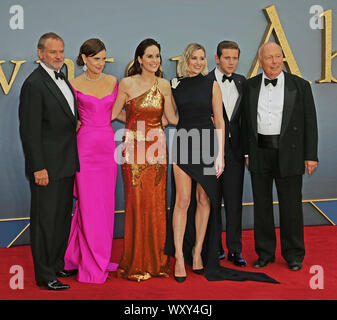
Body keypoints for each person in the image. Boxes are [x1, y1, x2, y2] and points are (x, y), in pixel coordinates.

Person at [164, 43, 278, 284]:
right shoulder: (175, 84)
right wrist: (161, 108)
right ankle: (180, 257)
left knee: (204, 200)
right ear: (186, 59)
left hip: (206, 144)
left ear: (207, 60)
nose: (197, 62)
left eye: (201, 58)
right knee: (182, 201)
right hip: (184, 143)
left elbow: (220, 123)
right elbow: (173, 117)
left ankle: (197, 252)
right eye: (193, 58)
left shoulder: (211, 84)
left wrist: (219, 156)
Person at [241, 42, 318, 271]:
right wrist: (246, 151)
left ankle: (294, 254)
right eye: (269, 58)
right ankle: (264, 253)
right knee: (262, 206)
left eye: (278, 57)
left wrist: (310, 155)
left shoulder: (300, 85)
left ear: (283, 59)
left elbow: (310, 123)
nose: (274, 62)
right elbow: (245, 122)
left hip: (290, 153)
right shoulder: (250, 86)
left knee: (291, 207)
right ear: (260, 61)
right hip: (259, 152)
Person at [111, 38, 178, 281]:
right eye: (149, 56)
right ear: (139, 59)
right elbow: (113, 112)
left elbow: (172, 117)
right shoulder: (127, 83)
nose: (155, 60)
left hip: (157, 150)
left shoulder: (165, 84)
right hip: (133, 151)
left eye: (157, 56)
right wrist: (132, 127)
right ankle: (136, 262)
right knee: (136, 203)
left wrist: (159, 124)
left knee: (157, 204)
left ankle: (157, 261)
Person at [19, 32, 79, 290]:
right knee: (45, 221)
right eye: (53, 52)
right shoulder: (34, 84)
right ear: (40, 53)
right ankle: (45, 275)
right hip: (47, 167)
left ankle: (55, 264)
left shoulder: (62, 77)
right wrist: (38, 167)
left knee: (61, 218)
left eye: (61, 51)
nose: (58, 56)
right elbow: (29, 131)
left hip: (66, 162)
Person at [63, 39, 119, 283]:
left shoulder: (113, 82)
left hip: (107, 148)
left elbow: (123, 112)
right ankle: (88, 261)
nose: (100, 63)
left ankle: (96, 257)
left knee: (104, 208)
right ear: (84, 58)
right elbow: (70, 121)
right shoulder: (73, 84)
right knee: (87, 207)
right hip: (84, 148)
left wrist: (149, 119)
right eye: (96, 58)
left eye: (104, 58)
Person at [207, 40, 246, 266]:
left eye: (235, 58)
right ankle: (215, 248)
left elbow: (247, 119)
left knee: (234, 202)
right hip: (210, 151)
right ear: (217, 58)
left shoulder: (242, 82)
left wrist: (247, 153)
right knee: (212, 202)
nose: (231, 62)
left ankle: (235, 249)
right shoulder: (205, 82)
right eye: (227, 58)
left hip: (235, 153)